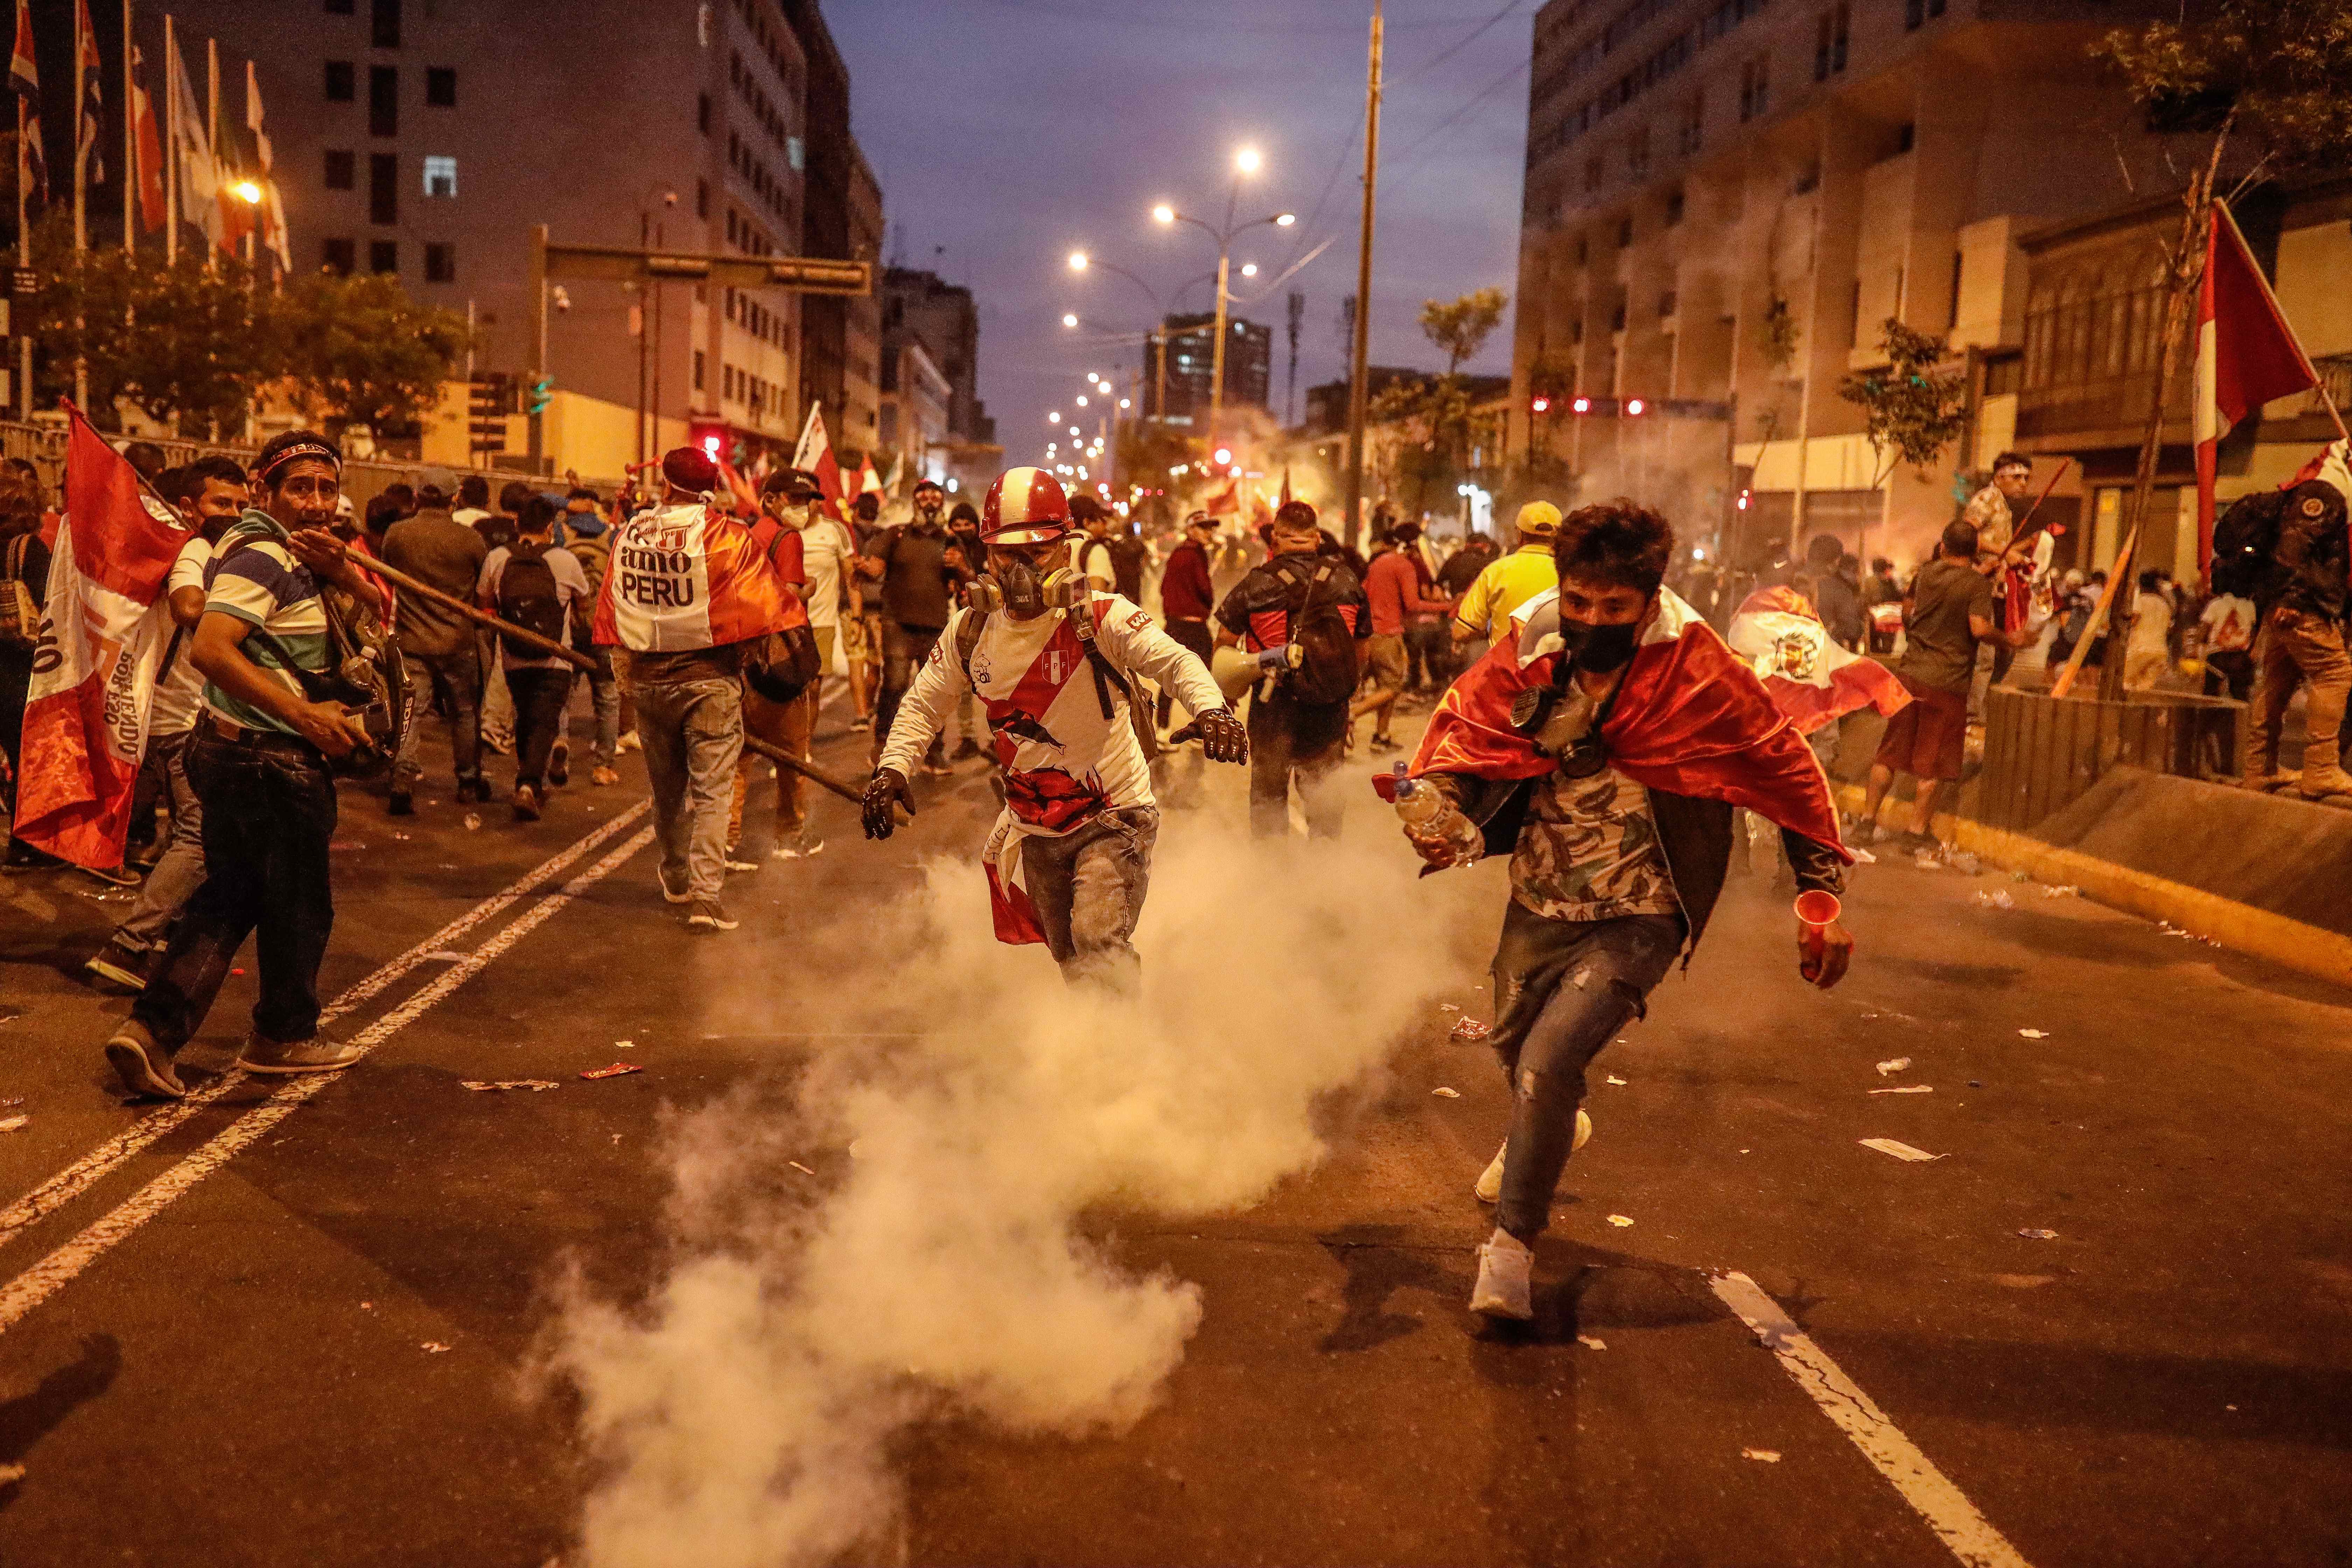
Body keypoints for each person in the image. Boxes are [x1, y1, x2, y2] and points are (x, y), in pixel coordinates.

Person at [1396, 498, 1853, 1321]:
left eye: (1614, 609)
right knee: (1515, 1051)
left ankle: (1509, 1254)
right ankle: (1553, 1122)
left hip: (1645, 908)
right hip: (1540, 897)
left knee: (1546, 1061)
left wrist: (1819, 897)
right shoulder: (1535, 648)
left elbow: (1784, 769)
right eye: (1579, 603)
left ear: (1649, 600)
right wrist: (1442, 808)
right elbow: (1469, 737)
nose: (1592, 621)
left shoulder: (1699, 669)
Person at [861, 467, 1245, 988]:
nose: (1020, 570)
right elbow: (923, 706)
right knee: (1068, 955)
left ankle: (1122, 1056)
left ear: (1065, 550)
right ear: (986, 555)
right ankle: (1086, 1047)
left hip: (1114, 813)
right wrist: (892, 768)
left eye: (1037, 552)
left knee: (1098, 940)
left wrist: (1212, 710)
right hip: (1035, 824)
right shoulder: (969, 630)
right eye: (1006, 554)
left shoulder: (1103, 615)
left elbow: (1176, 662)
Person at [102, 431, 388, 1099]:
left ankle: (151, 1033)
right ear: (266, 492)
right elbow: (210, 649)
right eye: (300, 488)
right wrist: (305, 715)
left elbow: (378, 614)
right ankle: (283, 1037)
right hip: (268, 761)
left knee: (230, 899)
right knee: (298, 907)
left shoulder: (299, 554)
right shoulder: (261, 556)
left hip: (242, 752)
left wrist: (343, 571)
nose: (317, 503)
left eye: (326, 488)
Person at [592, 447, 794, 933]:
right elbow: (764, 606)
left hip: (650, 683)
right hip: (710, 684)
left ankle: (677, 877)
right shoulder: (728, 536)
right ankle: (707, 895)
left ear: (665, 483)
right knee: (712, 795)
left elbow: (612, 603)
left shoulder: (630, 534)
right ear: (712, 486)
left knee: (667, 795)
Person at [85, 457, 252, 992]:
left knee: (198, 834)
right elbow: (187, 607)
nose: (235, 513)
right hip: (180, 718)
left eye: (243, 505)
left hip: (163, 715)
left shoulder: (192, 548)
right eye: (222, 503)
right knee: (200, 836)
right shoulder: (196, 551)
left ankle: (167, 935)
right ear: (188, 508)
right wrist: (244, 612)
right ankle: (129, 946)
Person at [1858, 520, 2033, 849]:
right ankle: (1915, 833)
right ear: (1975, 551)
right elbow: (1980, 629)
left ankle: (1867, 823)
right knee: (1933, 763)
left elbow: (1908, 614)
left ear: (1943, 547)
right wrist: (2011, 640)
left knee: (1889, 753)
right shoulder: (1975, 586)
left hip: (1910, 675)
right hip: (1947, 682)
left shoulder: (1925, 574)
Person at [1214, 500, 1371, 838]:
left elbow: (1224, 642)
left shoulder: (1258, 582)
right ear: (1316, 538)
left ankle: (1274, 878)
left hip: (1274, 703)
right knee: (1325, 799)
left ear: (1276, 539)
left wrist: (1229, 693)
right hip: (1330, 707)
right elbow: (1362, 649)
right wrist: (1343, 690)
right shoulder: (1347, 580)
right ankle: (1324, 875)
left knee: (1269, 796)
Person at [479, 495, 592, 820]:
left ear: (516, 524)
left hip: (513, 656)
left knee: (526, 718)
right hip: (555, 659)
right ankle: (528, 785)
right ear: (550, 526)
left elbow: (485, 598)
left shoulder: (498, 557)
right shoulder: (565, 560)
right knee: (545, 722)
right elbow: (583, 603)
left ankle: (531, 782)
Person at [727, 476, 821, 862]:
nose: (803, 506)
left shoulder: (748, 535)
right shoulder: (788, 539)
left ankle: (726, 841)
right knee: (791, 755)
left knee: (737, 759)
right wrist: (809, 587)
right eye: (794, 498)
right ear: (770, 499)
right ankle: (789, 835)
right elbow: (787, 595)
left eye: (806, 499)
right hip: (777, 659)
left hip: (740, 659)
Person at [380, 481, 491, 812]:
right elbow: (483, 586)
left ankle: (402, 778)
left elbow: (389, 574)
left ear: (418, 498)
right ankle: (468, 781)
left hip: (412, 640)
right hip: (458, 641)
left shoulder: (397, 535)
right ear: (454, 499)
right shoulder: (470, 540)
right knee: (465, 713)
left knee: (409, 713)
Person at [2244, 465, 2351, 799]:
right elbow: (2295, 544)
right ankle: (2321, 770)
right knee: (2334, 673)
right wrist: (2293, 598)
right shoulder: (2324, 493)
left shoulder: (2312, 492)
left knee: (2279, 679)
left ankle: (2260, 769)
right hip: (2303, 603)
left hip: (2289, 602)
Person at [856, 477, 960, 772]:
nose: (929, 500)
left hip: (935, 624)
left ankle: (935, 751)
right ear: (915, 502)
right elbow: (877, 567)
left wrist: (960, 567)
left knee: (934, 690)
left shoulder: (949, 540)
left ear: (941, 504)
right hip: (897, 623)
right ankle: (883, 745)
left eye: (934, 496)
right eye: (923, 495)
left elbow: (964, 578)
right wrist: (866, 567)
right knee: (895, 684)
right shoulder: (896, 535)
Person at [1354, 520, 1457, 754]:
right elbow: (1413, 604)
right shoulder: (1404, 566)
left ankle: (1381, 737)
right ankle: (1353, 715)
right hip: (1388, 635)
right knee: (1393, 687)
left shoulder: (1379, 563)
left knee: (1382, 686)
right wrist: (1448, 606)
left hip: (1368, 633)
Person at [1453, 501, 1562, 651]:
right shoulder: (1568, 573)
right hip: (1555, 671)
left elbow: (1461, 632)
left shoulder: (1495, 572)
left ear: (1519, 535)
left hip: (1506, 671)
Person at [1156, 511, 1220, 730]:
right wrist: (1206, 603)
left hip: (1174, 625)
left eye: (1211, 528)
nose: (1209, 533)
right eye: (1204, 528)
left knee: (1170, 676)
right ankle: (1204, 728)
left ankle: (1161, 729)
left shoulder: (1177, 553)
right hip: (1193, 626)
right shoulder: (1196, 554)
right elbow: (1205, 589)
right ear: (1191, 530)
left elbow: (1163, 588)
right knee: (1203, 679)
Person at [2122, 568, 2175, 692]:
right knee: (2144, 689)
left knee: (2125, 683)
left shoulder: (2140, 600)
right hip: (2160, 652)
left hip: (2139, 650)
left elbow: (2134, 620)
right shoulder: (2164, 604)